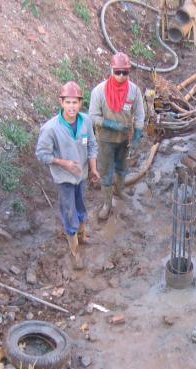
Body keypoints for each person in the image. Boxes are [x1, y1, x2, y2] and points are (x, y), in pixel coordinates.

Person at [36, 81, 99, 269]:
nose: (72, 107)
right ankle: (75, 251)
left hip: (81, 176)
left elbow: (92, 145)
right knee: (69, 212)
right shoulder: (51, 129)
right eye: (68, 102)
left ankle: (82, 235)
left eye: (75, 102)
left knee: (80, 206)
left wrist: (93, 168)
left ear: (81, 103)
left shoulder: (86, 121)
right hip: (64, 179)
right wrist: (64, 163)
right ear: (61, 102)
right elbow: (41, 154)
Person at [88, 52, 145, 220]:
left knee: (121, 167)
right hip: (105, 140)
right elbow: (92, 116)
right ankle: (107, 202)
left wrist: (137, 136)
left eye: (125, 72)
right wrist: (111, 124)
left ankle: (119, 191)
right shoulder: (99, 91)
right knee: (105, 171)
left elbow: (140, 115)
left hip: (124, 140)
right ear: (111, 70)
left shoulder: (134, 91)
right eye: (117, 72)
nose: (121, 76)